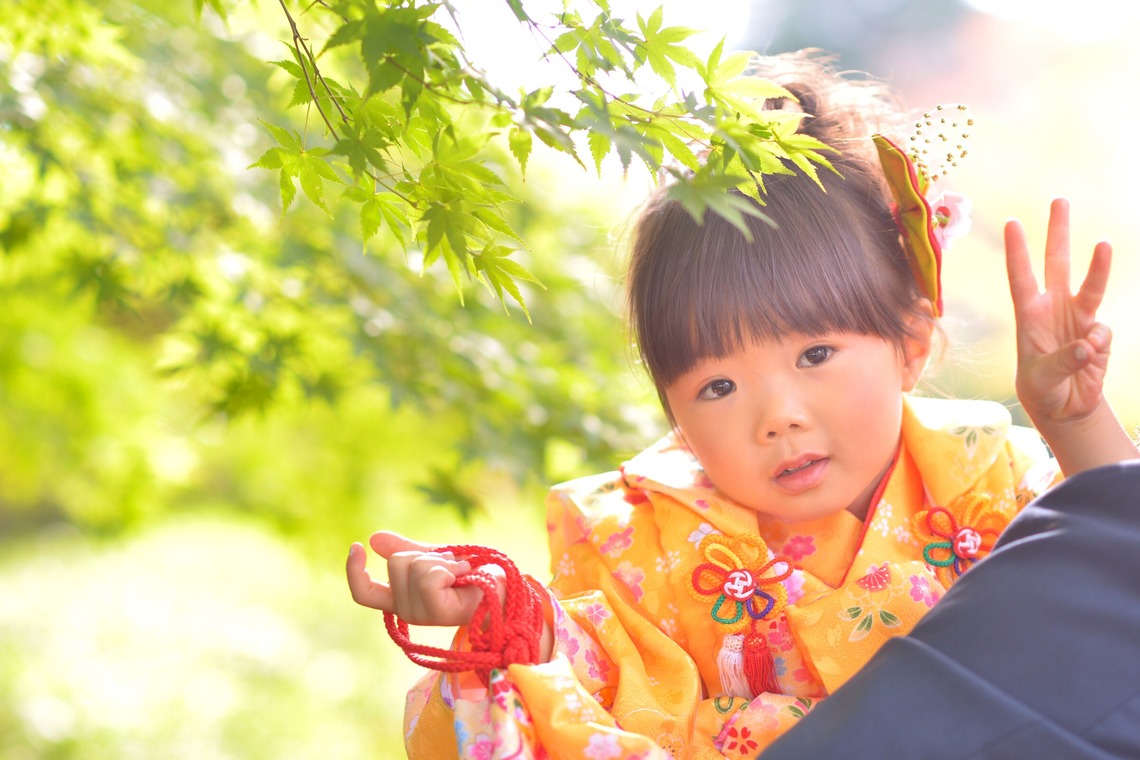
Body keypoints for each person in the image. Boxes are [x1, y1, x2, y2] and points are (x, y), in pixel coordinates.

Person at [346, 51, 1138, 758]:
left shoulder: (987, 479)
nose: (778, 416)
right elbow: (583, 666)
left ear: (911, 340)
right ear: (675, 417)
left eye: (815, 355)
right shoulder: (640, 541)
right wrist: (492, 612)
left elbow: (1117, 592)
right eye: (717, 387)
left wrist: (1073, 423)